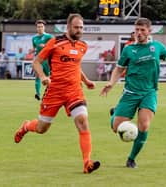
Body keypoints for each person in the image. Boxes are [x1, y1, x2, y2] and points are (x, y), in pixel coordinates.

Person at [100, 17, 166, 169]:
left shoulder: (157, 47)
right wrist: (111, 83)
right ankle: (115, 113)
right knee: (116, 128)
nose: (139, 33)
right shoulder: (128, 49)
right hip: (130, 93)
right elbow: (119, 68)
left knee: (143, 126)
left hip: (149, 93)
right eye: (137, 30)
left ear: (149, 31)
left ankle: (131, 159)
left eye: (142, 30)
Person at [14, 13, 100, 174]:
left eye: (81, 27)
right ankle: (26, 126)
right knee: (42, 128)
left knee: (82, 121)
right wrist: (43, 77)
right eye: (76, 27)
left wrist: (86, 81)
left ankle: (87, 162)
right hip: (55, 91)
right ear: (68, 27)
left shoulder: (83, 45)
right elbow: (37, 62)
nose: (79, 30)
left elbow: (75, 66)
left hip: (74, 91)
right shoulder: (55, 42)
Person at [32, 19, 53, 100]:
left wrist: (45, 46)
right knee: (37, 76)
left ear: (44, 27)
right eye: (38, 27)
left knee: (47, 77)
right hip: (38, 60)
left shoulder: (49, 36)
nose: (40, 28)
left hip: (46, 60)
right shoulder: (34, 38)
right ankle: (37, 93)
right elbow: (34, 48)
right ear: (36, 28)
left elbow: (53, 46)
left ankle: (49, 93)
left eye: (41, 26)